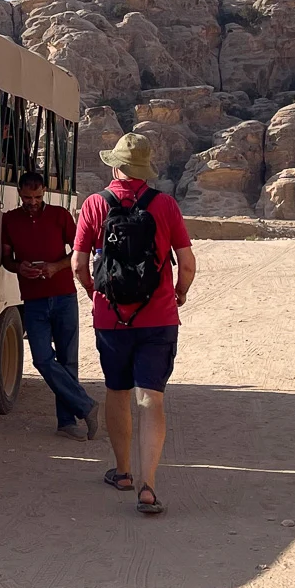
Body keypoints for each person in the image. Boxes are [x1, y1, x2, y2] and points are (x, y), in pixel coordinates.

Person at [71, 134, 196, 515]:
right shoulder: (165, 205)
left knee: (117, 392)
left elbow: (77, 264)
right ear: (145, 169)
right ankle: (148, 487)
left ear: (115, 166)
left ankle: (122, 472)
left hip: (111, 317)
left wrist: (96, 291)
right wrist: (180, 292)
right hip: (158, 316)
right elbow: (187, 263)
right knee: (150, 399)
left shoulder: (95, 204)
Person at [1, 173, 98, 441]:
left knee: (68, 360)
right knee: (42, 358)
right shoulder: (9, 220)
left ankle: (67, 422)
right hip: (32, 299)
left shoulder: (60, 215)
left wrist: (55, 267)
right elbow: (6, 258)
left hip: (64, 296)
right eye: (27, 198)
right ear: (18, 193)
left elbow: (79, 251)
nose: (32, 202)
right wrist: (18, 267)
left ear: (44, 192)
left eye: (37, 197)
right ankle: (86, 405)